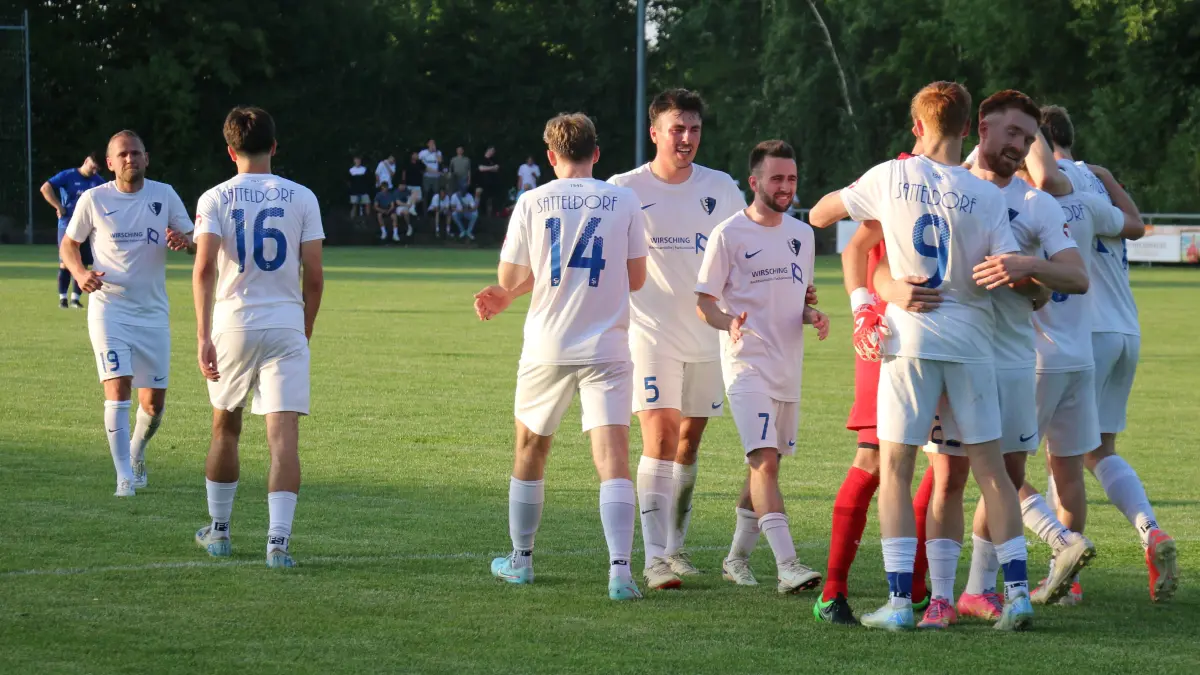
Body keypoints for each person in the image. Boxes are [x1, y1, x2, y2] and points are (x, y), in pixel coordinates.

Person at [809, 80, 1034, 631]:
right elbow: (1007, 270)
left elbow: (819, 215)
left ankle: (897, 603)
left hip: (911, 339)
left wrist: (877, 283)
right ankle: (1019, 595)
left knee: (896, 466)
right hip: (972, 339)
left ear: (917, 127)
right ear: (967, 130)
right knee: (992, 474)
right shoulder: (986, 194)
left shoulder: (891, 174)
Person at [907, 90, 1091, 629]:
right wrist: (879, 294)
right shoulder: (935, 182)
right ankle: (940, 598)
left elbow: (1076, 277)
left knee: (1008, 476)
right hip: (952, 350)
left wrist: (1025, 266)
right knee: (948, 476)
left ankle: (978, 590)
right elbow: (870, 247)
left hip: (1013, 359)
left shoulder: (1037, 204)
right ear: (980, 127)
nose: (1020, 147)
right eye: (1012, 134)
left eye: (1029, 140)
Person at [471, 112, 649, 600]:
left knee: (530, 449)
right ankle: (620, 573)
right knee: (613, 457)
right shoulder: (624, 199)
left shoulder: (533, 199)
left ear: (550, 157)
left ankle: (521, 560)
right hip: (608, 345)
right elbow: (636, 279)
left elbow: (511, 278)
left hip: (547, 346)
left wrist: (510, 293)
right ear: (596, 153)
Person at [607, 88, 748, 589]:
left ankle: (676, 547)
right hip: (648, 335)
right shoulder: (623, 189)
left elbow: (746, 245)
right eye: (676, 129)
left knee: (688, 444)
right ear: (655, 132)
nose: (686, 138)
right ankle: (653, 561)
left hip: (708, 335)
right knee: (661, 438)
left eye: (693, 129)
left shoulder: (722, 187)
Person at [1039, 105, 1177, 603]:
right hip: (1127, 330)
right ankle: (1151, 531)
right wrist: (1111, 175)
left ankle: (1066, 575)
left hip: (1084, 329)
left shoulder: (1052, 181)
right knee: (1100, 451)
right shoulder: (1096, 180)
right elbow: (1136, 226)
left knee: (1066, 456)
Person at [192, 106, 325, 569]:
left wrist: (202, 335)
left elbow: (205, 267)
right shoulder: (303, 197)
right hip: (285, 323)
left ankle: (221, 531)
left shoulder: (214, 198)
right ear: (274, 147)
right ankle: (278, 544)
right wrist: (302, 330)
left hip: (233, 324)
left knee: (225, 426)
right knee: (283, 436)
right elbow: (314, 276)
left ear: (230, 151)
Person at [695, 140, 829, 595]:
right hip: (745, 362)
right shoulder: (728, 234)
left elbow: (798, 299)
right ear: (754, 183)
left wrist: (813, 315)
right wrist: (728, 322)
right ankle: (787, 565)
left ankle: (735, 559)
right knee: (764, 460)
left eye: (791, 178)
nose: (786, 187)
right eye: (777, 178)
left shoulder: (803, 234)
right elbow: (704, 303)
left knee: (762, 466)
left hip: (787, 367)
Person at [807, 145, 924, 625]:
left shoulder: (960, 180)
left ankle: (918, 590)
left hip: (939, 339)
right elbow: (851, 240)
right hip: (890, 334)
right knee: (876, 459)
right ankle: (834, 589)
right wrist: (862, 308)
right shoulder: (897, 177)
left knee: (942, 462)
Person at [59, 130, 194, 496]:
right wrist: (80, 273)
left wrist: (186, 242)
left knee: (154, 405)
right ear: (110, 162)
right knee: (117, 390)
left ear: (147, 158)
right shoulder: (93, 199)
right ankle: (123, 478)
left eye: (136, 153)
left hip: (153, 313)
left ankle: (135, 452)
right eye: (123, 155)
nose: (130, 159)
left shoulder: (163, 194)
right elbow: (69, 244)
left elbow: (195, 240)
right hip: (109, 310)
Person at [43, 153, 106, 308]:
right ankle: (62, 299)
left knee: (82, 264)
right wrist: (58, 206)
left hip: (87, 228)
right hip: (67, 225)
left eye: (96, 169)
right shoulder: (68, 175)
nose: (93, 171)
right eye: (92, 167)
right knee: (66, 262)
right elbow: (45, 188)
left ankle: (75, 299)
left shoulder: (97, 181)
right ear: (86, 160)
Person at [477, 146, 501, 215]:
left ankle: (489, 216)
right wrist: (492, 168)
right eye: (492, 150)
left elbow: (497, 169)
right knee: (481, 199)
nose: (493, 152)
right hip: (482, 183)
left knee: (490, 200)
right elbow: (481, 168)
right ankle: (480, 214)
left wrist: (488, 168)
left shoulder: (493, 160)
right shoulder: (482, 159)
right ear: (488, 150)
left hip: (491, 184)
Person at [419, 140, 444, 205]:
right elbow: (420, 163)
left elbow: (440, 161)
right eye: (431, 143)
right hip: (427, 176)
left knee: (436, 194)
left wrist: (435, 152)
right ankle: (425, 211)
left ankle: (434, 210)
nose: (432, 144)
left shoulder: (438, 152)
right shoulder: (423, 152)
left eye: (434, 143)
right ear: (428, 144)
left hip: (436, 177)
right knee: (426, 193)